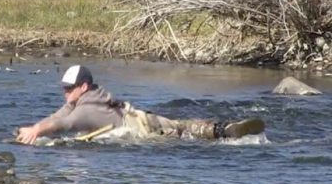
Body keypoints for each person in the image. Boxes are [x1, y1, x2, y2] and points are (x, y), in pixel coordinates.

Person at [16, 65, 265, 144]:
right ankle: (225, 129)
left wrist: (38, 131)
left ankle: (228, 131)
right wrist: (34, 129)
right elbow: (58, 115)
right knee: (183, 127)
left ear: (83, 86)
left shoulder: (87, 109)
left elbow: (65, 123)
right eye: (64, 87)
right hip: (138, 118)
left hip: (143, 126)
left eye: (69, 87)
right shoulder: (81, 101)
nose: (65, 91)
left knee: (183, 131)